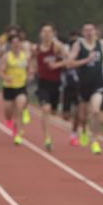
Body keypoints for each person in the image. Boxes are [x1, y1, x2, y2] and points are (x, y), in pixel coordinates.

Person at [67, 22, 103, 154]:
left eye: (91, 30)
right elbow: (69, 63)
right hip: (83, 85)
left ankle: (95, 141)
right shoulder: (78, 45)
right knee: (83, 116)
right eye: (86, 30)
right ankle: (83, 130)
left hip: (98, 84)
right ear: (83, 32)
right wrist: (85, 60)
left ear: (95, 31)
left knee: (95, 111)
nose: (89, 32)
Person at [32, 22, 67, 151]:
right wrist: (32, 68)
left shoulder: (57, 47)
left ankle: (48, 134)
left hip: (56, 83)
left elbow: (67, 61)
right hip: (43, 83)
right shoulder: (36, 48)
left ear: (53, 34)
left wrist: (56, 65)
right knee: (45, 109)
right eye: (44, 32)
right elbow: (31, 60)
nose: (46, 34)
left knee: (53, 111)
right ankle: (47, 138)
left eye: (49, 32)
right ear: (40, 34)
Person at [0, 34, 30, 145]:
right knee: (8, 112)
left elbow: (28, 68)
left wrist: (29, 74)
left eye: (18, 42)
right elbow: (1, 71)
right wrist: (6, 77)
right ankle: (9, 121)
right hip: (9, 87)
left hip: (20, 86)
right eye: (14, 43)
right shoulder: (6, 56)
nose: (16, 44)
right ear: (10, 45)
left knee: (19, 108)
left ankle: (18, 134)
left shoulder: (24, 56)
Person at [62, 30, 82, 146]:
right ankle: (74, 126)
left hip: (79, 86)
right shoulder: (66, 50)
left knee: (79, 112)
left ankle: (74, 134)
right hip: (68, 86)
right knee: (66, 116)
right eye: (72, 38)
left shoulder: (82, 52)